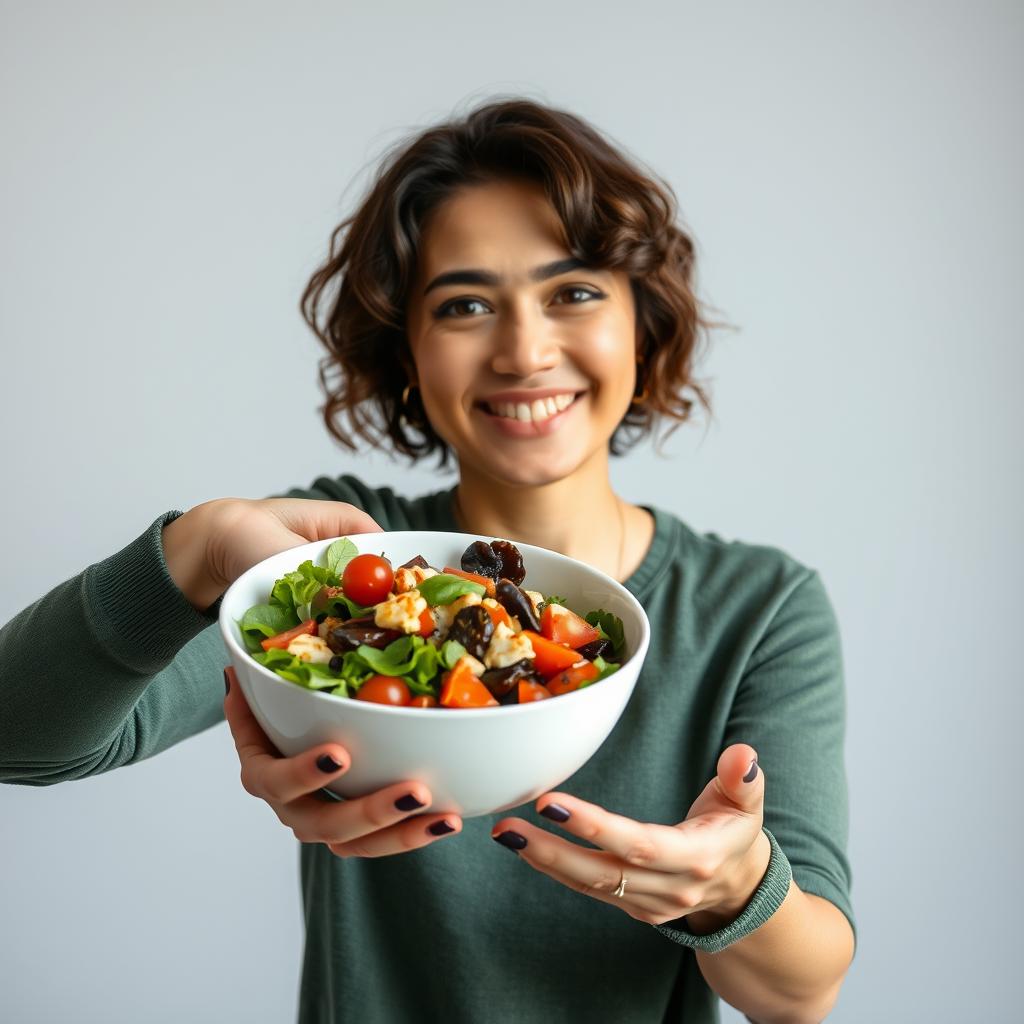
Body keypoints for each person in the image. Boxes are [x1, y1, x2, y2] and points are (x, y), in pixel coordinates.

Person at [0, 97, 856, 1023]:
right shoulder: (330, 573)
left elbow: (799, 994)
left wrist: (732, 889)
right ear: (406, 349)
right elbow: (20, 738)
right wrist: (199, 545)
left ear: (641, 327)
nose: (525, 351)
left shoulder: (759, 605)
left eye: (574, 291)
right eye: (466, 304)